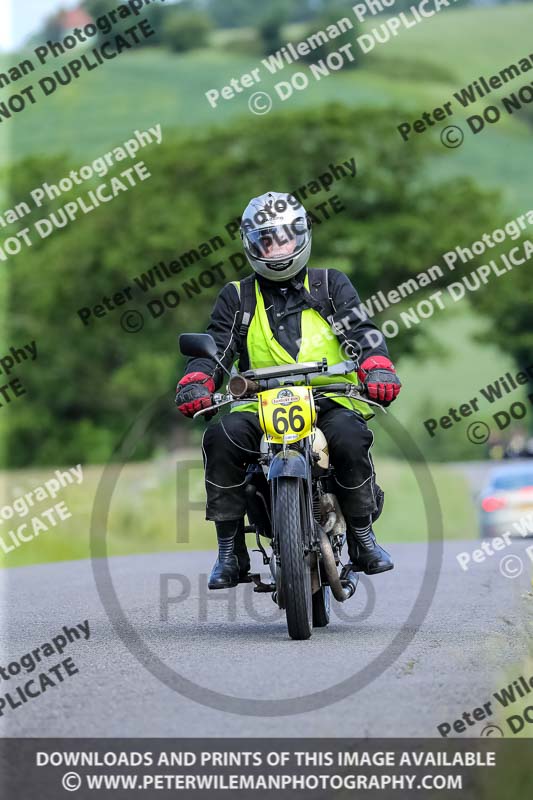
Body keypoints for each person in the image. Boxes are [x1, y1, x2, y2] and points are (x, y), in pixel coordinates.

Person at [175, 191, 402, 589]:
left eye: (284, 237)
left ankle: (363, 537)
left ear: (302, 236)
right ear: (251, 244)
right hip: (258, 402)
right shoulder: (237, 296)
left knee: (349, 438)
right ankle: (230, 551)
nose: (277, 247)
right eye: (266, 239)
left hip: (328, 396)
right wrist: (197, 380)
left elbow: (362, 333)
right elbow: (217, 348)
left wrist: (377, 368)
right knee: (220, 438)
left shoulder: (331, 285)